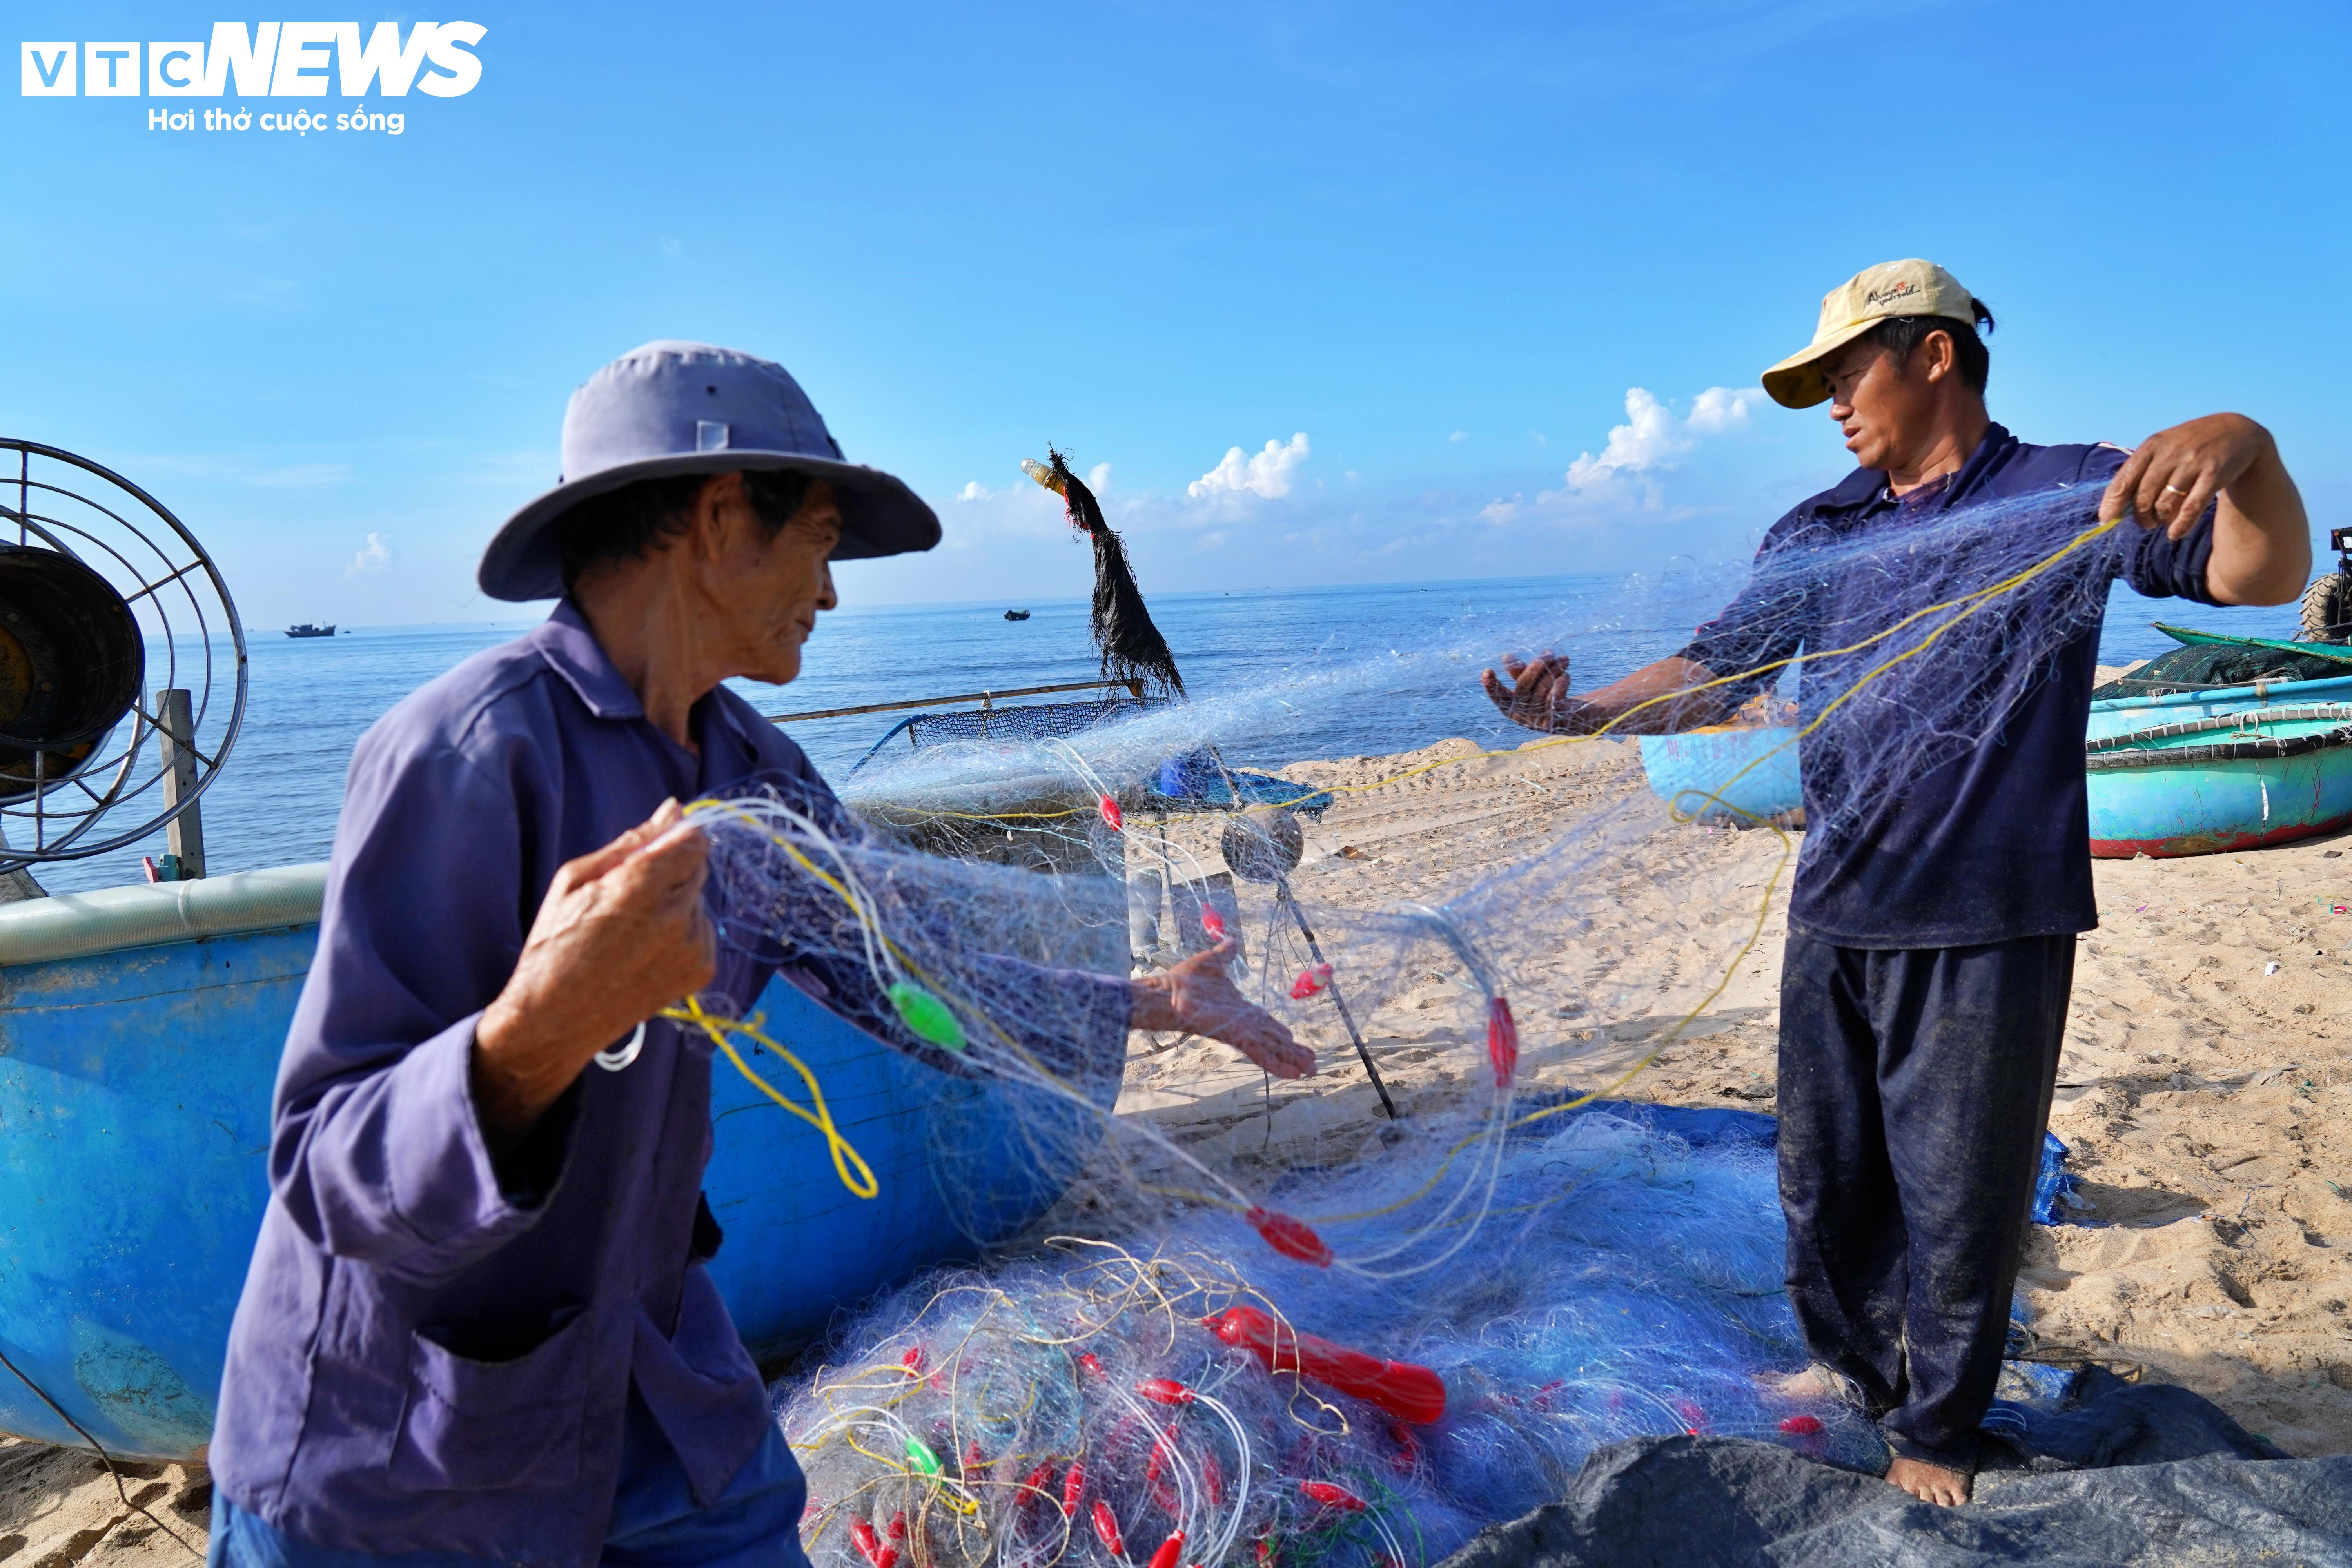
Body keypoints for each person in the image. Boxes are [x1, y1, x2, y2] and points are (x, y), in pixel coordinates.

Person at [206, 341, 1311, 1567]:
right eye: (822, 542)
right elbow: (323, 1166)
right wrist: (537, 1033)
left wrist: (1153, 1000)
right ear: (722, 517)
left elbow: (915, 978)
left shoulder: (760, 780)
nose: (832, 594)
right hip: (404, 1454)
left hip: (660, 1394)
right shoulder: (465, 754)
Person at [1482, 261, 2308, 1505]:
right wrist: (1580, 714)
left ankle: (1937, 1430)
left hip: (1989, 913)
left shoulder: (2071, 493)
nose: (1828, 402)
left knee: (1960, 1192)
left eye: (1843, 371)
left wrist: (2248, 449)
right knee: (1827, 1183)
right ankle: (1855, 1371)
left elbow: (2262, 579)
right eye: (1815, 382)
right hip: (1837, 903)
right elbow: (1714, 670)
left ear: (1933, 355)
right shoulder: (1819, 530)